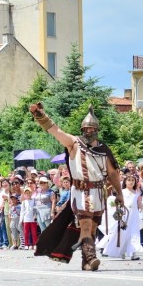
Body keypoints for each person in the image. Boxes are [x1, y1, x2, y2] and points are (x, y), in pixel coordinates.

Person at [30, 103, 123, 271]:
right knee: (86, 225)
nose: (88, 131)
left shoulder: (104, 149)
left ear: (96, 130)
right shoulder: (74, 143)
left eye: (91, 129)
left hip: (99, 193)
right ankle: (91, 257)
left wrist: (119, 194)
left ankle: (86, 262)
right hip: (81, 192)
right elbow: (56, 131)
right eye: (85, 129)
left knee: (93, 226)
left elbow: (113, 173)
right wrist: (40, 115)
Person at [100, 175, 143, 260]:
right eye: (129, 180)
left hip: (134, 215)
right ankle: (122, 251)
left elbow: (140, 206)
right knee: (124, 234)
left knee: (134, 233)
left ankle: (133, 253)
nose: (131, 182)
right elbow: (115, 203)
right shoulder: (122, 192)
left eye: (133, 180)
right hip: (125, 215)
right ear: (125, 182)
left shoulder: (137, 192)